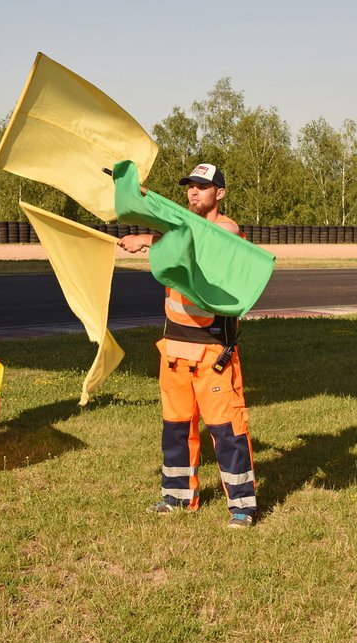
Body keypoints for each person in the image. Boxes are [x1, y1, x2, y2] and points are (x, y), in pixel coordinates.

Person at [117, 163, 257, 528]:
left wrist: (148, 238)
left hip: (213, 352)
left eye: (202, 186)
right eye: (190, 186)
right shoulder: (179, 229)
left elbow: (202, 242)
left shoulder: (227, 231)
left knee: (227, 431)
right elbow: (182, 237)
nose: (193, 192)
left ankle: (242, 505)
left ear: (220, 194)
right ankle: (177, 496)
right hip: (175, 348)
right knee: (176, 428)